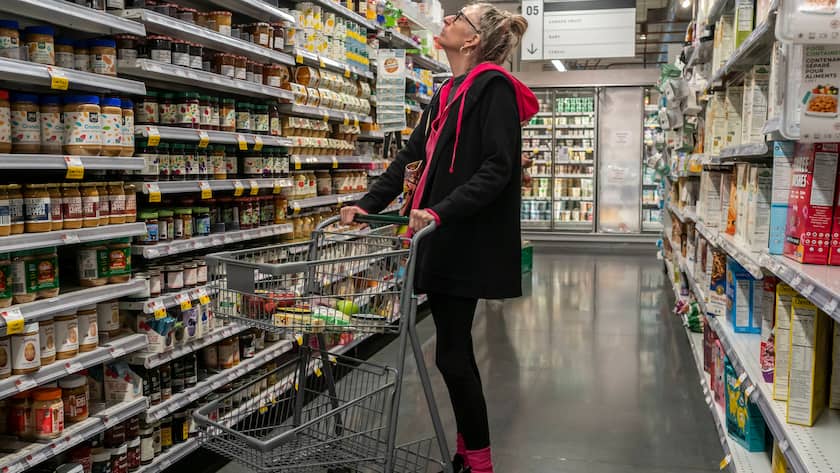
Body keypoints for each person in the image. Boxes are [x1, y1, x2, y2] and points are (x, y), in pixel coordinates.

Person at [340, 3, 537, 472]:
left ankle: (479, 461)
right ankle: (470, 455)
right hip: (444, 237)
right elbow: (411, 158)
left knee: (452, 354)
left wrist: (439, 212)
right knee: (453, 352)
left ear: (472, 40)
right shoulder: (447, 93)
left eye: (457, 18)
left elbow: (497, 168)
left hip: (466, 238)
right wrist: (368, 203)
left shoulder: (495, 89)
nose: (446, 21)